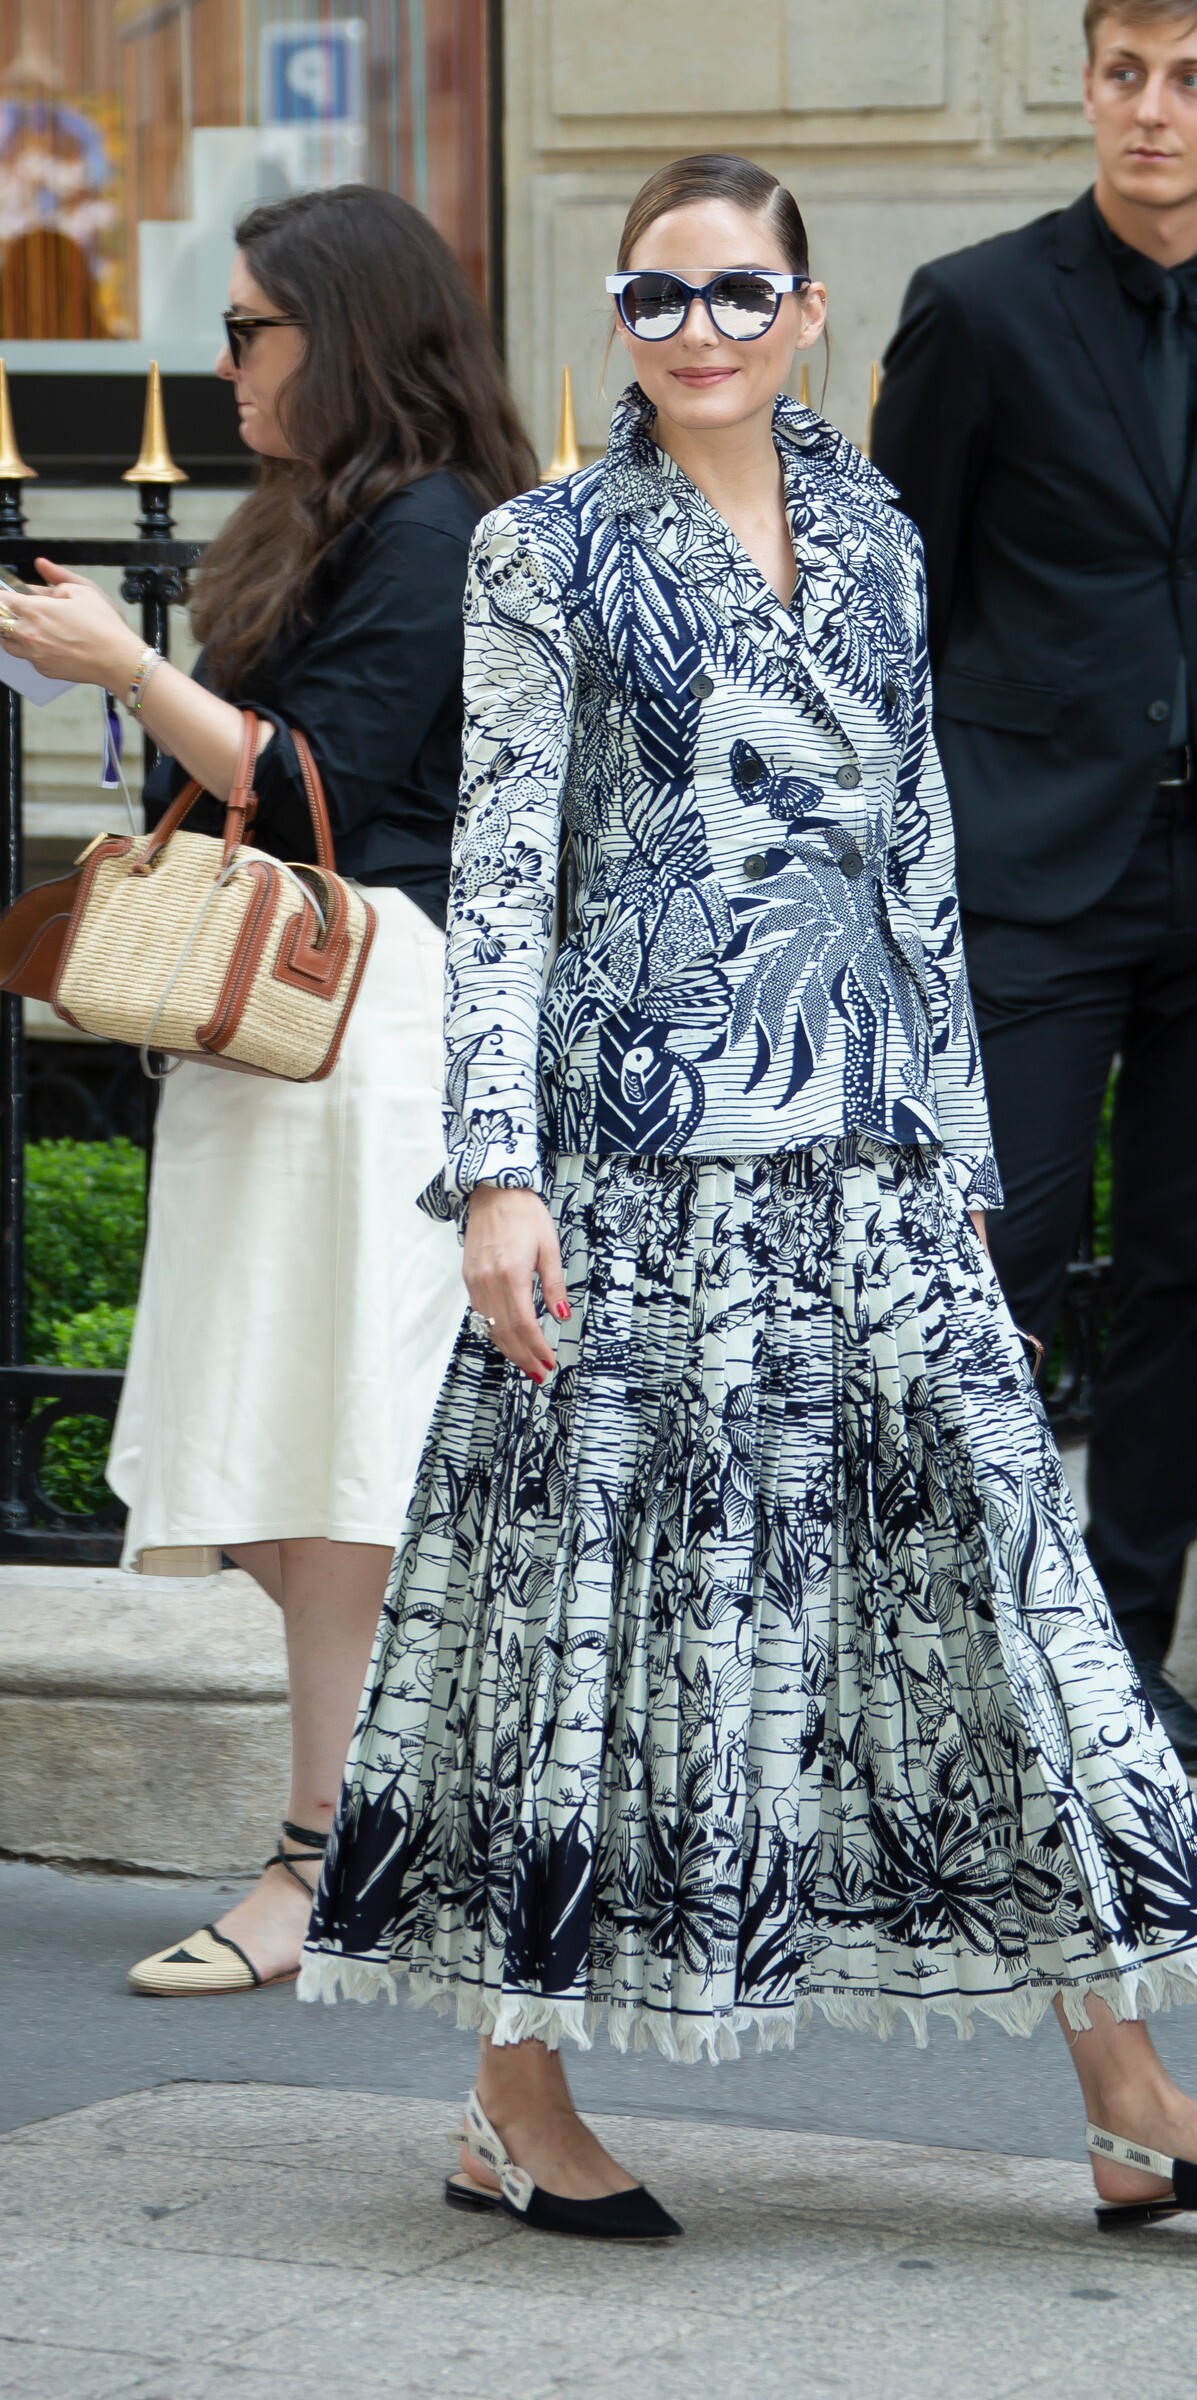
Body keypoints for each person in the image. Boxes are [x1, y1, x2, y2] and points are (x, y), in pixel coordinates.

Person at [299, 150, 1197, 2240]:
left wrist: (959, 1153)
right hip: (637, 1168)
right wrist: (496, 1175)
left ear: (805, 315)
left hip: (869, 1158)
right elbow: (497, 879)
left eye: (736, 293)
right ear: (618, 320)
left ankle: (1133, 2095)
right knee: (591, 1629)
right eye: (654, 295)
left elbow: (916, 852)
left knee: (1010, 1599)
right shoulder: (542, 551)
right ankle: (511, 2097)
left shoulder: (873, 531)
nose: (695, 330)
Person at [0, 183, 537, 1992]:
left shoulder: (433, 526)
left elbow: (317, 793)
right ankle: (370, 1841)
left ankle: (323, 1863)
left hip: (360, 1030)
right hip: (277, 1037)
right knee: (286, 1462)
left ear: (347, 332)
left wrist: (129, 666)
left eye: (251, 328)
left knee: (336, 1463)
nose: (223, 361)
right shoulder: (323, 514)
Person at [869, 0, 1197, 1779]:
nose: (1155, 110)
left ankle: (1124, 1662)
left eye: (1193, 81)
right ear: (1088, 86)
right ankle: (968, 1659)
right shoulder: (979, 304)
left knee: (1187, 1274)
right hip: (1030, 867)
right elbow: (894, 595)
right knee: (999, 1259)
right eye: (1127, 74)